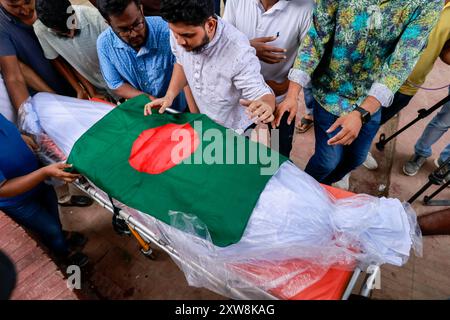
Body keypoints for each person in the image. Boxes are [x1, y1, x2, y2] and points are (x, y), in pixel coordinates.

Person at [285, 0, 442, 187]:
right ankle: (303, 190)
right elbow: (316, 37)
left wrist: (362, 113)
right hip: (330, 91)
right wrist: (292, 94)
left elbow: (402, 61)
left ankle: (323, 190)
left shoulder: (428, 3)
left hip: (370, 99)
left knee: (356, 158)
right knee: (327, 161)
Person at [146, 0, 275, 135]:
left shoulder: (239, 52)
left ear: (210, 25)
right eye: (175, 33)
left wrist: (266, 105)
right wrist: (169, 96)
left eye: (187, 35)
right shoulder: (179, 33)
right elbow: (181, 62)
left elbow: (260, 93)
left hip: (234, 129)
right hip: (204, 119)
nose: (180, 42)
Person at [223, 0, 312, 157]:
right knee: (235, 147)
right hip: (241, 96)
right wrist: (249, 48)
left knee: (281, 150)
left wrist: (286, 89)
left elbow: (308, 56)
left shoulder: (305, 8)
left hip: (281, 98)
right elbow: (224, 43)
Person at [0, 114, 89, 267]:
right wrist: (43, 173)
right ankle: (63, 253)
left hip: (38, 180)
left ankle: (62, 236)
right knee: (50, 229)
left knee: (54, 215)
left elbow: (8, 129)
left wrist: (21, 137)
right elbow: (3, 189)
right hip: (17, 200)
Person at [96, 0, 188, 111]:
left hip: (181, 109)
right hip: (145, 112)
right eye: (124, 30)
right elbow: (115, 84)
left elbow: (183, 64)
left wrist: (169, 96)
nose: (134, 34)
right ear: (108, 23)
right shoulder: (104, 44)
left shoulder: (166, 30)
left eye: (137, 24)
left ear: (141, 9)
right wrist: (147, 98)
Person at [0, 0, 75, 112]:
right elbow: (14, 76)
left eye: (28, 2)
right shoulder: (2, 25)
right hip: (47, 99)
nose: (25, 11)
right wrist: (26, 115)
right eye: (14, 7)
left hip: (77, 79)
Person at [34, 0, 115, 101]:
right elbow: (64, 62)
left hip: (123, 83)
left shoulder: (96, 19)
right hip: (98, 88)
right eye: (63, 33)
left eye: (72, 23)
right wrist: (87, 90)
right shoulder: (41, 30)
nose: (71, 34)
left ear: (71, 10)